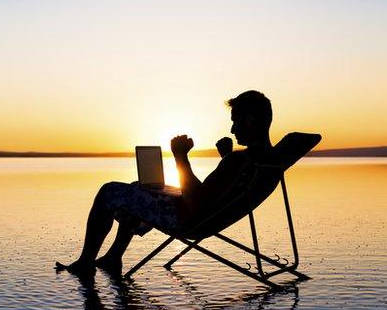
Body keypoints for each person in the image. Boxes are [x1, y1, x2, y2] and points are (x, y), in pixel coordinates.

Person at [56, 90, 274, 274]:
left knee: (109, 192)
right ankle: (113, 257)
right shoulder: (265, 161)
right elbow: (220, 192)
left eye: (235, 121)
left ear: (250, 120)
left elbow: (197, 201)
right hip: (201, 216)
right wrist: (226, 156)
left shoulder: (239, 161)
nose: (233, 129)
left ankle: (86, 263)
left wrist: (180, 156)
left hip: (186, 219)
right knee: (138, 187)